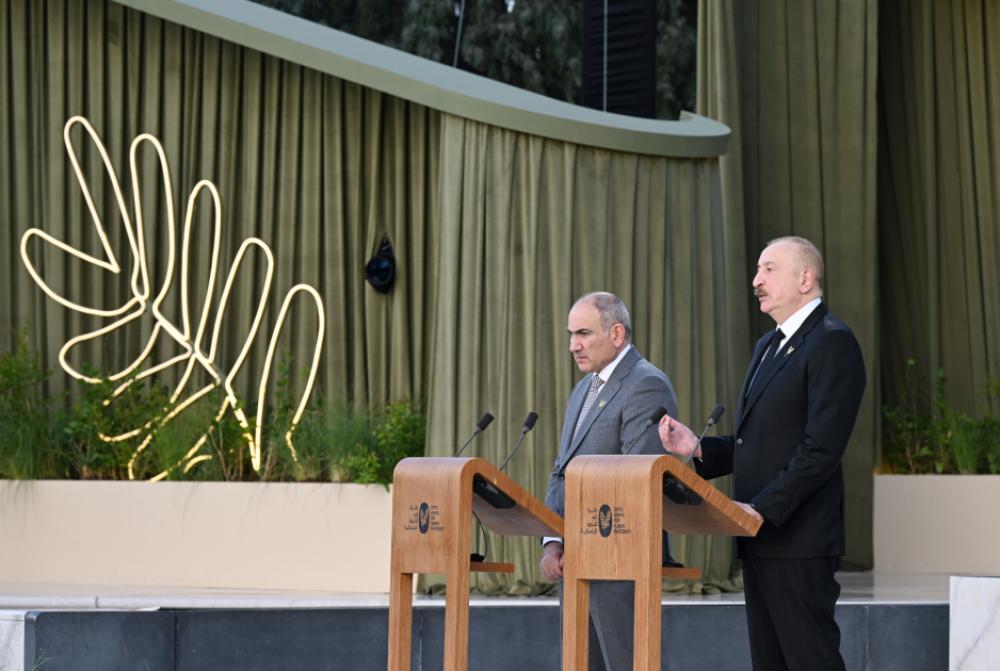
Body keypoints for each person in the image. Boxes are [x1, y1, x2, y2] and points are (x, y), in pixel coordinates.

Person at [658, 236, 866, 671]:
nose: (756, 280)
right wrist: (697, 447)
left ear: (805, 279)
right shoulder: (767, 345)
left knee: (811, 661)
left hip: (798, 538)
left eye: (769, 269)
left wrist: (762, 509)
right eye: (757, 270)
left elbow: (821, 448)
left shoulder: (832, 341)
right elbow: (758, 442)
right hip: (759, 535)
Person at [541, 291, 678, 671]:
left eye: (583, 333)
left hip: (621, 562)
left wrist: (583, 542)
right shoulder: (584, 389)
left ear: (616, 334)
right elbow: (561, 470)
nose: (574, 345)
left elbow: (637, 481)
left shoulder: (646, 384)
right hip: (576, 562)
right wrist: (553, 542)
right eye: (571, 335)